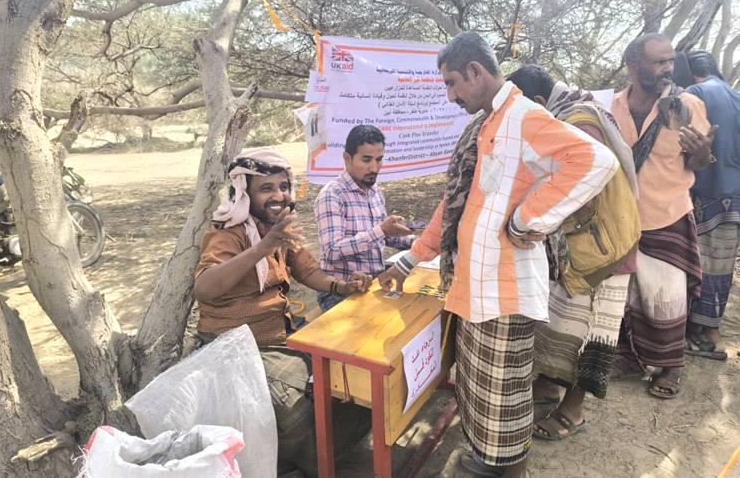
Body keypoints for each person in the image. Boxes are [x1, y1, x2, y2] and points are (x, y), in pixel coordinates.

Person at [379, 32, 619, 477]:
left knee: (504, 396)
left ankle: (512, 470)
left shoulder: (525, 115)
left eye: (453, 83)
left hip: (504, 290)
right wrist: (410, 259)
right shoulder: (486, 123)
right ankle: (488, 462)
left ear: (476, 71)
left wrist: (528, 220)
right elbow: (452, 206)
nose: (450, 95)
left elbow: (596, 161)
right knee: (478, 389)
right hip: (473, 284)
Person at [194, 148, 371, 477]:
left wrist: (341, 286)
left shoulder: (278, 227)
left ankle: (304, 456)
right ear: (245, 193)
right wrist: (262, 247)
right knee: (303, 410)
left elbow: (307, 271)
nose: (279, 195)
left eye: (284, 186)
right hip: (237, 346)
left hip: (278, 337)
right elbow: (204, 288)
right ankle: (306, 461)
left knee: (351, 385)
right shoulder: (227, 233)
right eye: (267, 188)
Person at [506, 64, 638, 440]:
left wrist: (529, 218)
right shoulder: (580, 110)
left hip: (603, 250)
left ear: (537, 102)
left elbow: (579, 191)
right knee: (561, 322)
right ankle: (549, 386)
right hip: (589, 242)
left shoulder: (579, 123)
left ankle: (574, 411)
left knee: (592, 333)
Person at [610, 33, 714, 399]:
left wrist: (703, 153)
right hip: (624, 219)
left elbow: (698, 162)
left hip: (668, 213)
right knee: (627, 296)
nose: (667, 68)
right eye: (658, 62)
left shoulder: (685, 107)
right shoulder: (614, 107)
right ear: (634, 65)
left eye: (670, 60)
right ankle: (631, 359)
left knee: (667, 298)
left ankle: (672, 365)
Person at [314, 125, 414, 311]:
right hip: (341, 289)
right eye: (366, 159)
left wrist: (419, 242)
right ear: (347, 158)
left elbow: (385, 236)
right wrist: (381, 230)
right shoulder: (332, 195)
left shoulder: (375, 191)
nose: (374, 168)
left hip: (374, 279)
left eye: (379, 159)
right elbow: (332, 250)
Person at [682, 51, 740, 360]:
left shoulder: (694, 94)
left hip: (706, 194)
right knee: (722, 266)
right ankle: (711, 331)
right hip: (734, 196)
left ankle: (704, 336)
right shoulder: (735, 94)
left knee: (699, 265)